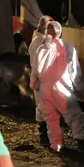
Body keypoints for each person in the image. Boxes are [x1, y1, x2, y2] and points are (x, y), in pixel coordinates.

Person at [33, 21, 84, 152]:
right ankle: (82, 143)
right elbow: (74, 71)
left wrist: (34, 85)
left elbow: (35, 71)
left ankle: (56, 145)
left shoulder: (40, 49)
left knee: (50, 119)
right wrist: (79, 88)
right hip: (62, 88)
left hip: (45, 89)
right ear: (61, 34)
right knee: (74, 115)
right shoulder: (68, 48)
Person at [29, 15, 53, 148]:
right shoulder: (38, 41)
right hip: (40, 80)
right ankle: (44, 136)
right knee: (43, 108)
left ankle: (47, 136)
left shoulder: (41, 40)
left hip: (44, 80)